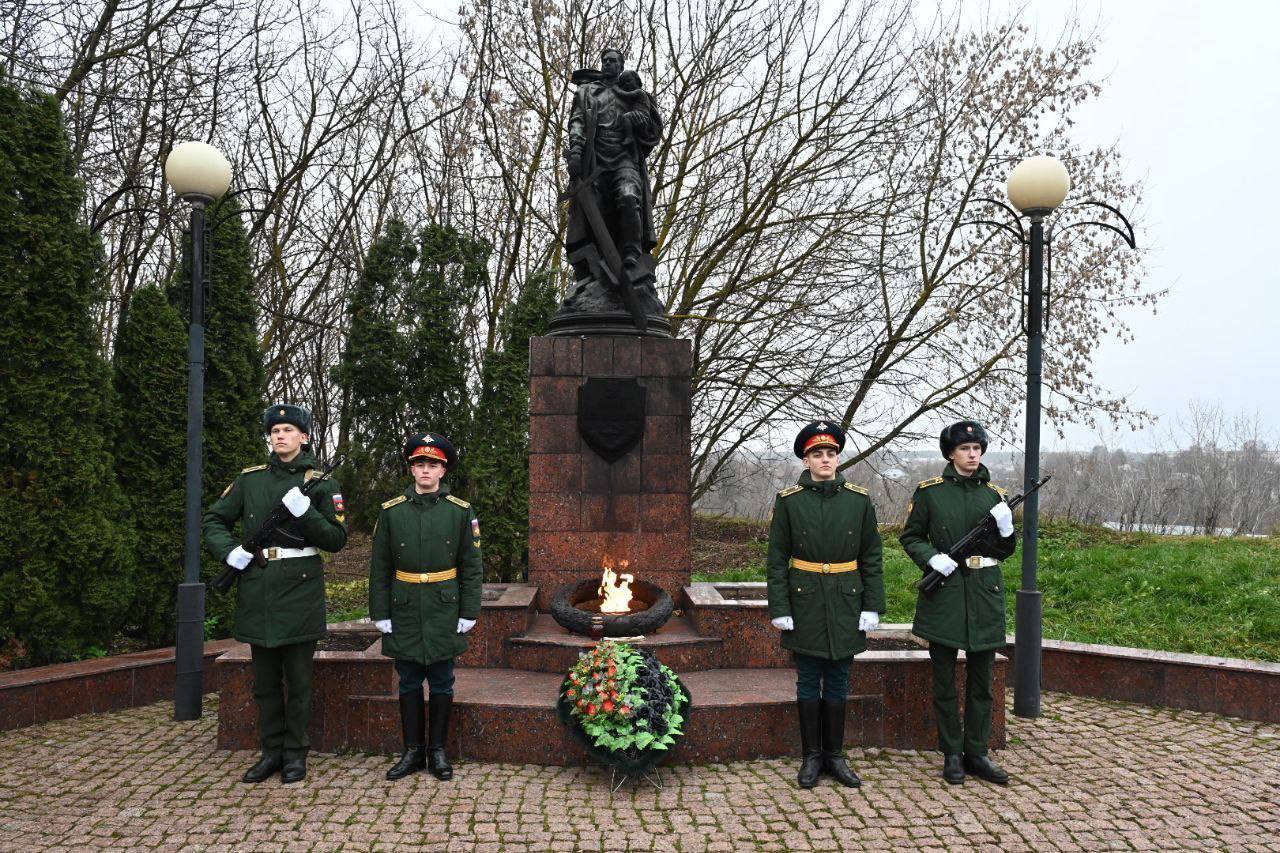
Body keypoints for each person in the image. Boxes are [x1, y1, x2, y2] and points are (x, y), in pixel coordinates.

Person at [204, 404, 347, 784]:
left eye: (288, 429)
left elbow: (336, 539)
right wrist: (228, 550)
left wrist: (307, 514)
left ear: (304, 437)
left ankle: (296, 754)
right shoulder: (250, 480)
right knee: (265, 683)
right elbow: (215, 519)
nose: (280, 435)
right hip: (258, 585)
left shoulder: (321, 482)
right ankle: (270, 752)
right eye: (275, 430)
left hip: (300, 588)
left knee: (298, 682)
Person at [766, 421, 885, 789]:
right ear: (806, 459)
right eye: (817, 454)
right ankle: (811, 757)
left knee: (839, 679)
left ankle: (835, 756)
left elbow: (872, 556)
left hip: (847, 599)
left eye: (831, 453)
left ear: (838, 457)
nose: (825, 459)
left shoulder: (858, 499)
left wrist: (872, 605)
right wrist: (780, 607)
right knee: (807, 680)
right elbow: (776, 559)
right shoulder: (789, 501)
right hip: (806, 601)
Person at [900, 420, 1017, 786]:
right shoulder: (930, 493)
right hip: (947, 593)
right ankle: (952, 752)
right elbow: (912, 536)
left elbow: (1005, 550)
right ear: (951, 453)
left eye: (977, 448)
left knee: (982, 680)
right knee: (945, 680)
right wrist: (932, 559)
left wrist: (1007, 528)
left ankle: (977, 753)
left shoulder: (995, 496)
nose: (972, 454)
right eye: (965, 449)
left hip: (985, 593)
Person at [369, 433, 482, 781]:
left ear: (443, 471)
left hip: (443, 606)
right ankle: (413, 752)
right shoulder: (391, 512)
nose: (425, 470)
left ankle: (438, 751)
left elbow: (472, 565)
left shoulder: (460, 512)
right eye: (420, 464)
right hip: (404, 606)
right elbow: (380, 566)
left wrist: (469, 610)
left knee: (443, 680)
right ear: (412, 469)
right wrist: (380, 612)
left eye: (432, 465)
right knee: (408, 680)